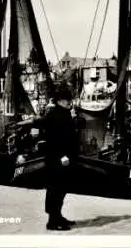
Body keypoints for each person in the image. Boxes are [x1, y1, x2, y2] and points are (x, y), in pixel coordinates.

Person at [43, 87, 79, 231]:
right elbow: (54, 139)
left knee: (61, 188)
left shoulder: (63, 113)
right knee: (55, 188)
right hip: (58, 158)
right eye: (67, 100)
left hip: (63, 158)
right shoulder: (55, 115)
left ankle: (58, 215)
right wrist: (62, 156)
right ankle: (52, 221)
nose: (70, 102)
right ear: (59, 101)